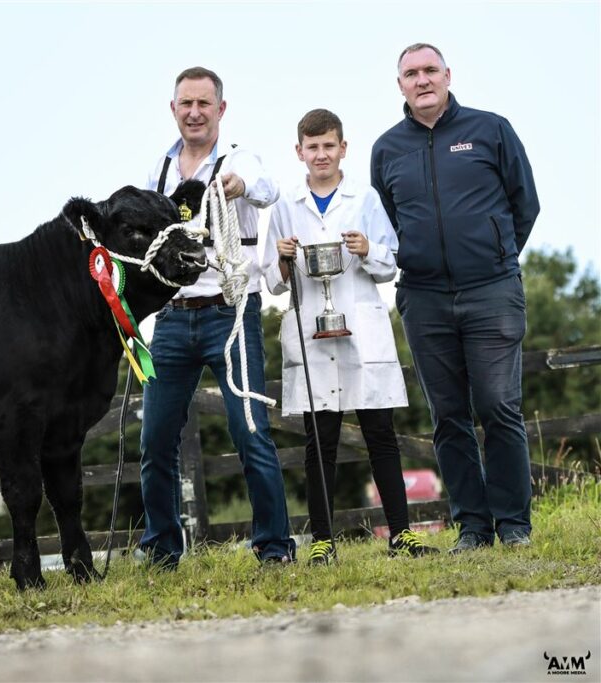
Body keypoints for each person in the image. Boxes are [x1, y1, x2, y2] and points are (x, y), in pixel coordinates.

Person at [370, 43, 540, 553]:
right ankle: (472, 527)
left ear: (448, 75)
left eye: (429, 71)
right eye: (410, 74)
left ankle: (513, 525)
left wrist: (495, 258)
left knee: (497, 406)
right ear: (399, 84)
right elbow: (387, 225)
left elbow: (524, 204)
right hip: (423, 298)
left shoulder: (491, 129)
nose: (421, 80)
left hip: (491, 291)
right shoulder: (386, 149)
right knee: (448, 415)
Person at [261, 108, 439, 564]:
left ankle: (401, 533)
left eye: (329, 146)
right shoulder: (285, 205)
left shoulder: (365, 198)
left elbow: (388, 263)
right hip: (312, 334)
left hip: (361, 325)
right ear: (299, 151)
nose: (321, 154)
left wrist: (368, 249)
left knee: (381, 433)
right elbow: (274, 282)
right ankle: (322, 538)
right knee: (320, 440)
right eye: (312, 147)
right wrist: (281, 259)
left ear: (343, 148)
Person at [138, 66, 295, 567]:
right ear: (173, 109)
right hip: (171, 318)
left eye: (204, 103)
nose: (194, 112)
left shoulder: (237, 158)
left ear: (220, 110)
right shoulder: (157, 173)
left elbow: (266, 187)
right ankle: (161, 548)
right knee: (155, 440)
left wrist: (237, 184)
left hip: (230, 311)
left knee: (250, 431)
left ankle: (274, 546)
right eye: (186, 103)